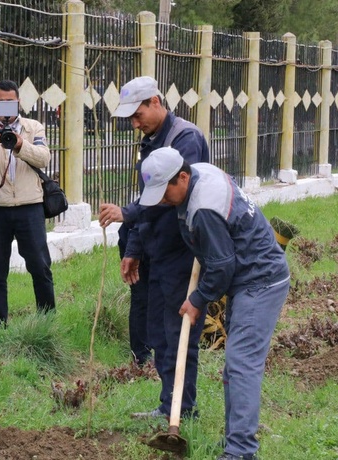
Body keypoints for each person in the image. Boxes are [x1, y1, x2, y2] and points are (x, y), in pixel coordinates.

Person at [138, 147, 290, 460]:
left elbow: (222, 265)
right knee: (235, 368)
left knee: (241, 366)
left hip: (260, 281)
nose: (162, 200)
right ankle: (236, 441)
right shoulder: (200, 173)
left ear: (182, 176)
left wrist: (197, 299)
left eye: (164, 191)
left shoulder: (203, 207)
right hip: (247, 279)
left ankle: (240, 451)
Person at [97, 76, 210, 418]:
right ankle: (167, 405)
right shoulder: (149, 141)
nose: (135, 123)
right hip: (156, 251)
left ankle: (182, 409)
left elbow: (170, 194)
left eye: (138, 114)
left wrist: (126, 214)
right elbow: (147, 195)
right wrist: (133, 248)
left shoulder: (184, 139)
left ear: (156, 102)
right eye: (130, 118)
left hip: (182, 252)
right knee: (159, 334)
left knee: (178, 334)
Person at [0, 79, 55, 326]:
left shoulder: (33, 127)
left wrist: (19, 144)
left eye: (10, 102)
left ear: (18, 103)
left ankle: (47, 322)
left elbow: (44, 158)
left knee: (40, 266)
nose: (5, 107)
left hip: (30, 206)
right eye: (0, 102)